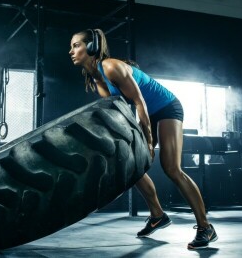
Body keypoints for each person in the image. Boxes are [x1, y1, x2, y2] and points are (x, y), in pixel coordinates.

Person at [68, 28, 218, 250]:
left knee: (171, 168)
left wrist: (148, 141)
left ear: (92, 47)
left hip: (166, 107)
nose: (71, 51)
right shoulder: (96, 79)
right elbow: (119, 112)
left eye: (76, 45)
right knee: (132, 165)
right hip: (146, 113)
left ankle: (206, 227)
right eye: (71, 46)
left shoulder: (110, 67)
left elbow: (139, 102)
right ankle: (158, 214)